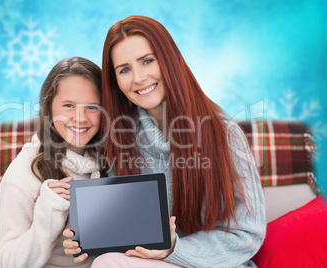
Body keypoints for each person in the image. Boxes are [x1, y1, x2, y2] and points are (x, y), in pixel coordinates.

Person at [63, 16, 266, 267]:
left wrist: (173, 249)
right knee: (106, 260)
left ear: (169, 60)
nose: (138, 77)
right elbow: (128, 232)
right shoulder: (120, 138)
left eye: (147, 61)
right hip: (149, 263)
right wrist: (90, 239)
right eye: (124, 69)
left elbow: (247, 234)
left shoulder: (225, 135)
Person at [0, 56, 105, 268]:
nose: (80, 118)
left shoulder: (107, 160)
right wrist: (47, 214)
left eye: (92, 107)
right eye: (69, 105)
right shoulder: (25, 171)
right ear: (49, 109)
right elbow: (5, 262)